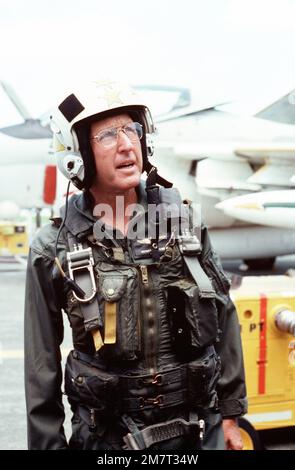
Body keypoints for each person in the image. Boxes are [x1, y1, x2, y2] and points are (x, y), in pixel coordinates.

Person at [24, 79, 247, 450]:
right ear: (77, 153)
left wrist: (230, 414)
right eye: (109, 135)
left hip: (196, 433)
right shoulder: (54, 247)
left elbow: (223, 315)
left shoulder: (186, 224)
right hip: (108, 439)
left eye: (132, 129)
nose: (127, 144)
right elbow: (40, 365)